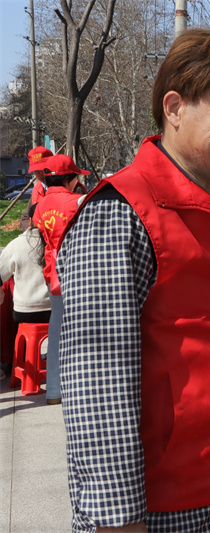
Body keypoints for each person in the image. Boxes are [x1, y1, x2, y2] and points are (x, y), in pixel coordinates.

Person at [56, 29, 210, 531]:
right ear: (174, 108)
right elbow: (98, 380)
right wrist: (116, 519)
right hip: (162, 509)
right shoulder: (120, 213)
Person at [32, 154, 88, 405]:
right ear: (70, 178)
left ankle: (54, 389)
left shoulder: (41, 205)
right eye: (76, 176)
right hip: (77, 270)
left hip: (51, 271)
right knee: (84, 331)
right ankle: (82, 388)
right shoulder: (80, 201)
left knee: (56, 328)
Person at [0, 226, 51, 324]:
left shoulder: (16, 244)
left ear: (30, 220)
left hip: (24, 310)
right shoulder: (57, 241)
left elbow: (1, 274)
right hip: (52, 309)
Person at [18, 146, 53, 230]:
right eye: (37, 171)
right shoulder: (37, 189)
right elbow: (24, 220)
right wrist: (33, 225)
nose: (41, 174)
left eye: (43, 170)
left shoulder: (67, 186)